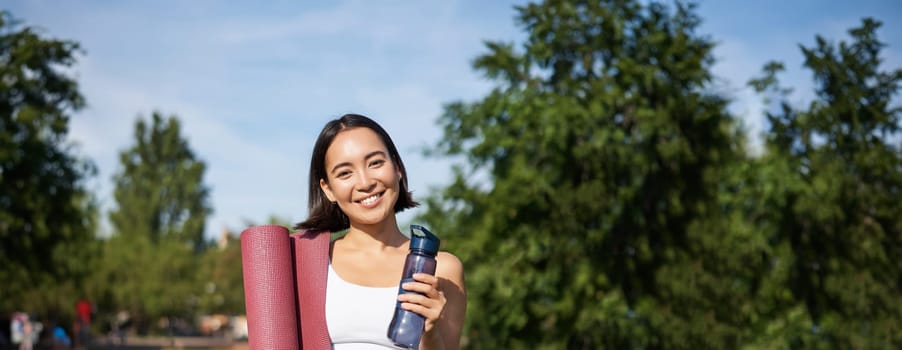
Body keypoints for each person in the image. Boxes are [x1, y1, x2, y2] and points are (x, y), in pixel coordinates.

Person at [294, 114, 466, 349]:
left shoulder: (442, 269)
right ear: (328, 189)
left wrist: (430, 333)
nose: (365, 182)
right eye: (345, 173)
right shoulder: (308, 263)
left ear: (397, 168)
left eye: (375, 162)